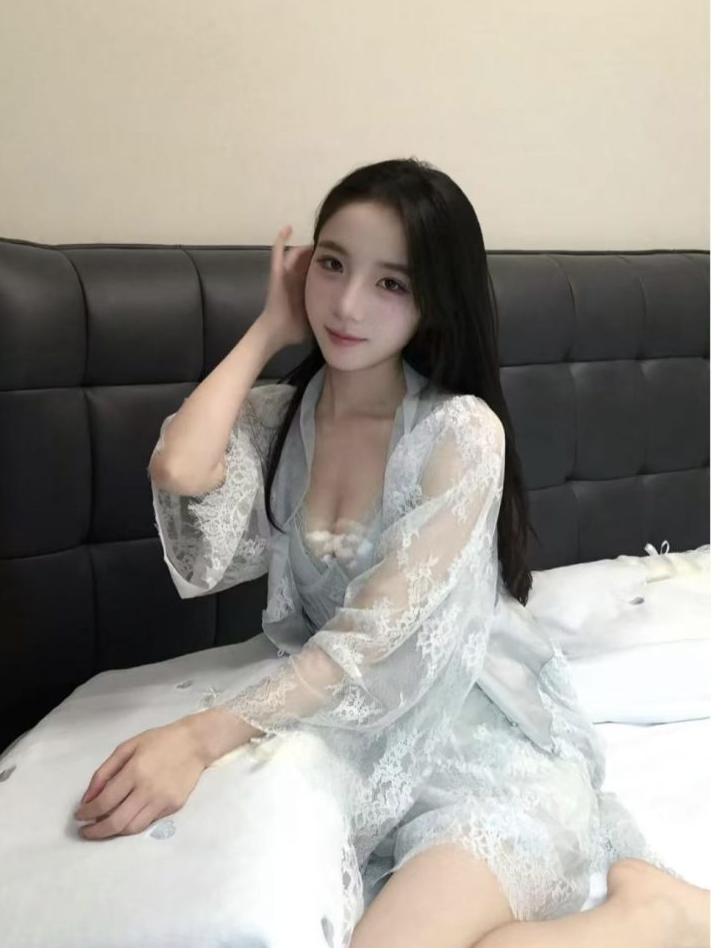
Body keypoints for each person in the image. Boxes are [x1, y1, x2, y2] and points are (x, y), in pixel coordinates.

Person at [76, 158, 710, 948]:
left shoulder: (458, 434)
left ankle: (655, 913)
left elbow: (366, 643)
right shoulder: (281, 418)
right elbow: (180, 468)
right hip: (356, 734)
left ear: (433, 301)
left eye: (391, 284)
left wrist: (199, 738)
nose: (347, 305)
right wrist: (269, 328)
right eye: (332, 265)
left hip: (479, 743)